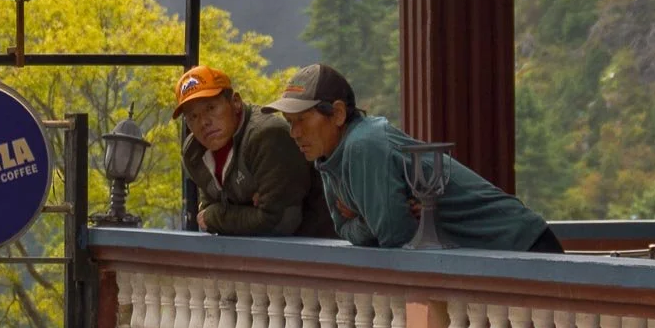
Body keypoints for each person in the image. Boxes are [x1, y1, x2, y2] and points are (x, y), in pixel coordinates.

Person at [265, 63, 563, 252]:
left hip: (523, 246)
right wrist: (373, 219)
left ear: (339, 114)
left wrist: (365, 218)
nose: (294, 133)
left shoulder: (363, 144)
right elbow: (347, 231)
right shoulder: (328, 158)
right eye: (290, 122)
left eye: (302, 119)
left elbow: (395, 236)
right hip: (496, 256)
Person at [174, 65, 334, 237]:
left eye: (211, 108)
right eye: (193, 116)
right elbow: (206, 211)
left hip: (320, 249)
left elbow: (279, 222)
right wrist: (246, 210)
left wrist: (216, 216)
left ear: (235, 102)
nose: (204, 122)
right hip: (253, 255)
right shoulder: (194, 151)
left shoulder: (267, 135)